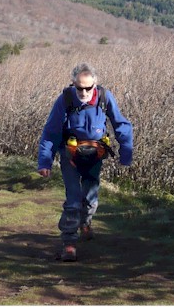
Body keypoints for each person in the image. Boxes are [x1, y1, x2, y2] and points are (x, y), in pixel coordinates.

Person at [37, 62, 133, 261]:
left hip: (95, 155)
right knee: (73, 199)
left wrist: (126, 155)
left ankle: (85, 222)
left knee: (91, 198)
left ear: (95, 84)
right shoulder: (65, 100)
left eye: (88, 88)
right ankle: (69, 242)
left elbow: (121, 125)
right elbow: (51, 132)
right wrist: (45, 162)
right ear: (73, 84)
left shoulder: (105, 98)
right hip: (70, 155)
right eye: (79, 87)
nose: (83, 92)